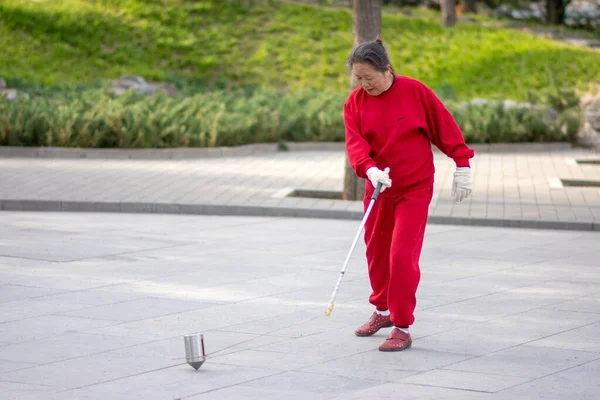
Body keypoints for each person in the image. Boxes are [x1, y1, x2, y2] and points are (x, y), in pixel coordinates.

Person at [344, 37, 474, 352]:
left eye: (369, 78)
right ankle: (383, 311)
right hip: (378, 188)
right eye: (358, 78)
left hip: (414, 188)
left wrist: (462, 164)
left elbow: (445, 127)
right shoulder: (355, 103)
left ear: (386, 69)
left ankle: (401, 326)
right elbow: (356, 144)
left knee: (401, 256)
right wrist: (369, 169)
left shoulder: (415, 92)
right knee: (375, 252)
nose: (364, 85)